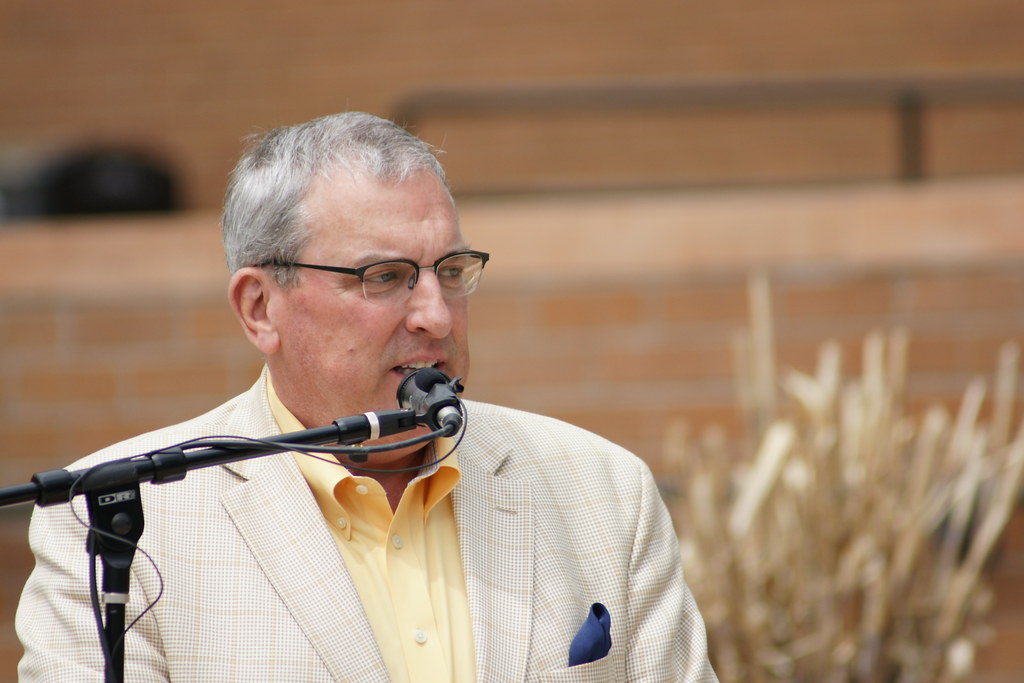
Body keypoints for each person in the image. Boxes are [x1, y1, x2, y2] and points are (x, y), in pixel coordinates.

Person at [16, 112, 718, 682]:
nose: (435, 315)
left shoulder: (604, 492)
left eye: (451, 270)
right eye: (384, 277)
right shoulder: (116, 523)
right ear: (260, 307)